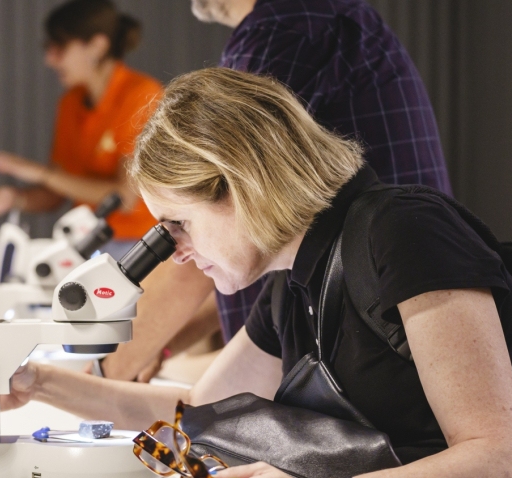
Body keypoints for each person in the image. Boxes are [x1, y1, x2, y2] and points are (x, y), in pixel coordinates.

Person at [3, 68, 512, 478]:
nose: (179, 254)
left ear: (239, 186)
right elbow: (194, 411)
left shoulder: (403, 233)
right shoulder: (294, 281)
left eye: (179, 225)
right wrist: (36, 381)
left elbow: (494, 464)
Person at [101, 0, 453, 381]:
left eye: (177, 224)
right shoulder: (307, 20)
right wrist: (161, 347)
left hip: (388, 347)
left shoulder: (287, 26)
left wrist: (107, 368)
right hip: (366, 333)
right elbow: (226, 251)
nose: (179, 248)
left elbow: (212, 224)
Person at [0, 0, 162, 257]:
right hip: (87, 241)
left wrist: (40, 173)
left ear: (97, 46)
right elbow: (58, 192)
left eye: (59, 47)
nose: (49, 59)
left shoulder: (143, 96)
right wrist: (12, 197)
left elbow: (125, 198)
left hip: (142, 246)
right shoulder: (70, 103)